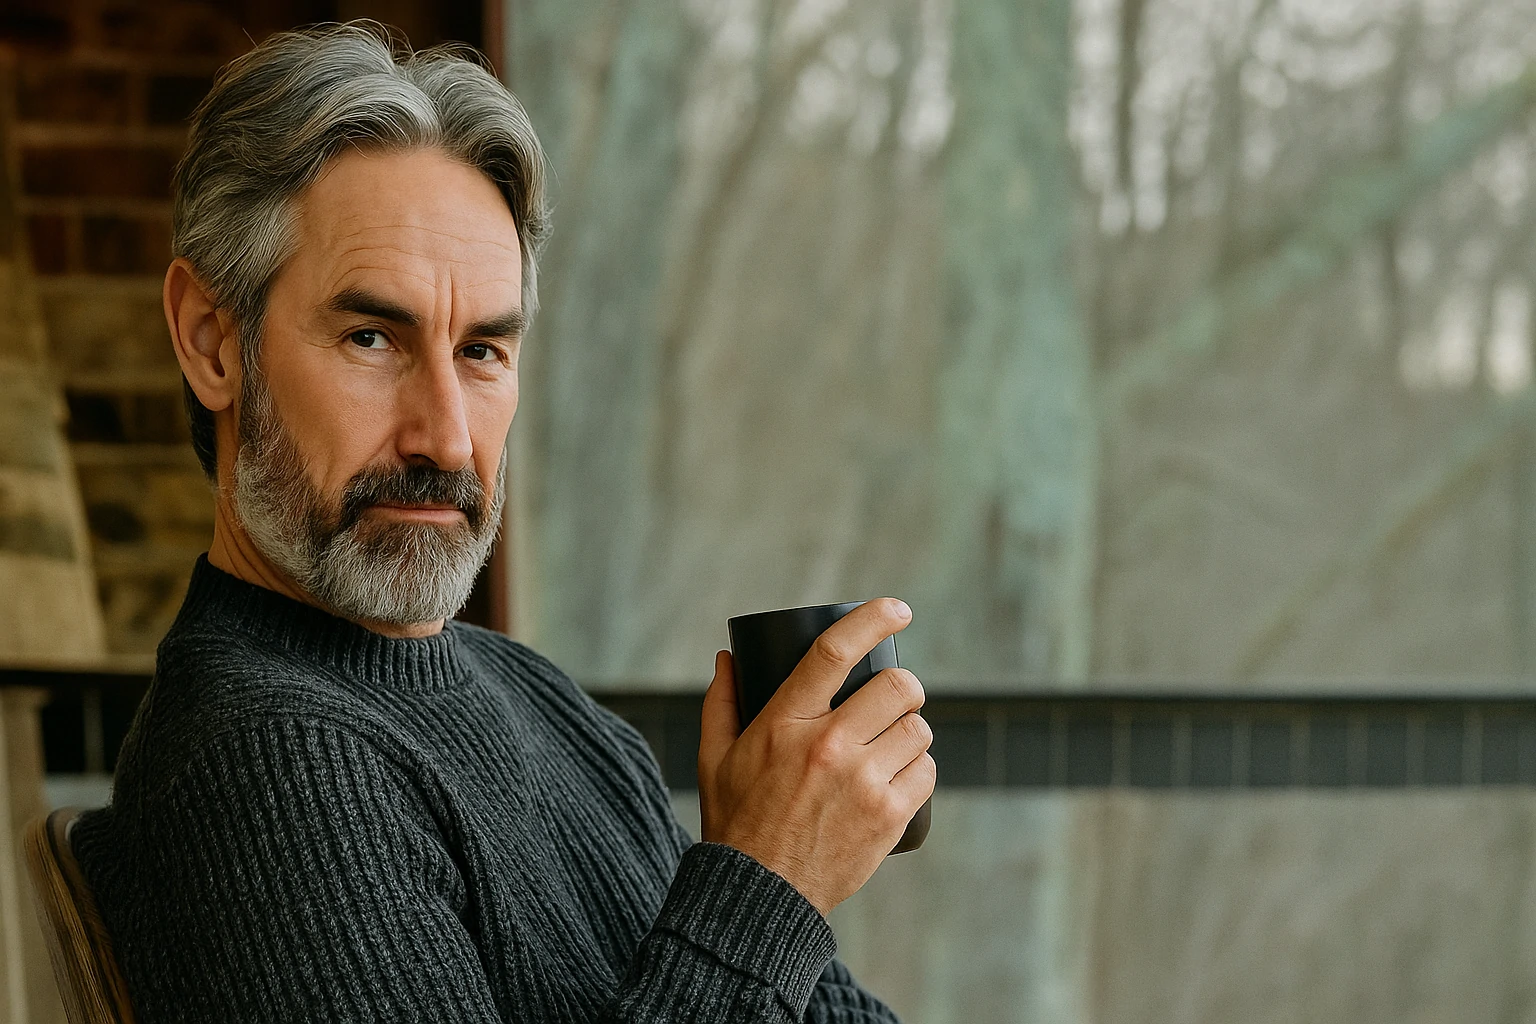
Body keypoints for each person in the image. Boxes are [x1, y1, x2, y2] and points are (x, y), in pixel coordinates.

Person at [70, 21, 936, 1024]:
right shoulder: (267, 764)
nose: (444, 436)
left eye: (482, 350)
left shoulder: (530, 695)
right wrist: (766, 880)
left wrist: (767, 875)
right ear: (212, 341)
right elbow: (752, 943)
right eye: (369, 336)